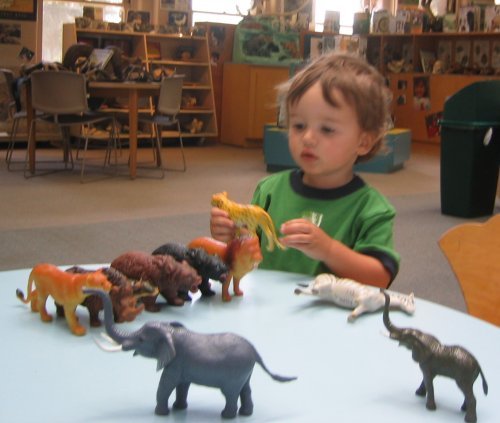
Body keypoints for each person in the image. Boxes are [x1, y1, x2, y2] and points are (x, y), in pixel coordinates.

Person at [210, 53, 400, 288]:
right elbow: (247, 250)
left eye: (327, 129)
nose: (308, 138)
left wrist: (328, 250)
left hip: (334, 319)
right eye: (299, 125)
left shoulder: (371, 209)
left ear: (363, 142)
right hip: (270, 312)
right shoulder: (269, 190)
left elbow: (380, 278)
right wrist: (230, 236)